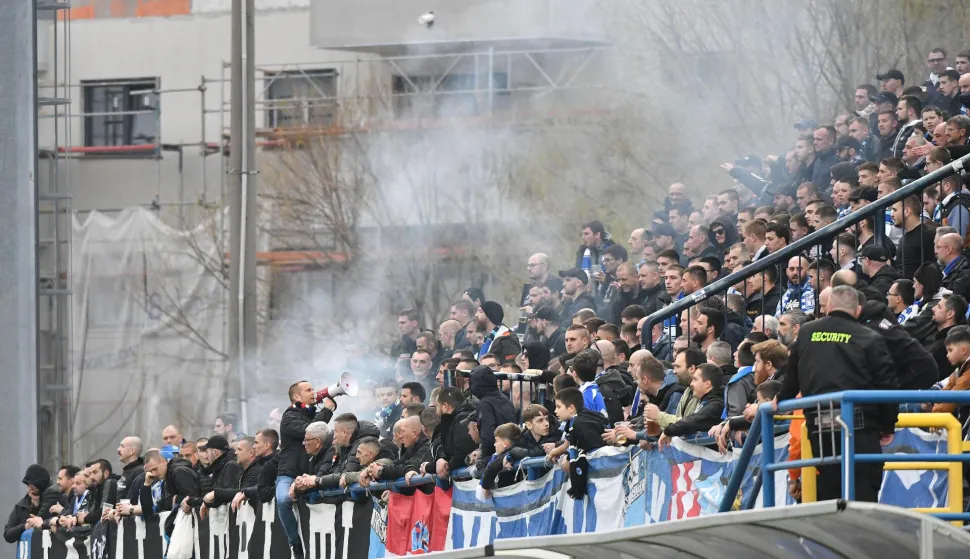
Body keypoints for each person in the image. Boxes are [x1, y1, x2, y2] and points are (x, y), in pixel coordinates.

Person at [778, 285, 898, 502]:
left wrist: (779, 400)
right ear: (858, 310)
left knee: (828, 491)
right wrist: (888, 425)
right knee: (862, 492)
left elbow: (791, 378)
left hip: (819, 425)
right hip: (860, 427)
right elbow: (888, 384)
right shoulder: (869, 337)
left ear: (829, 306)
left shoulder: (806, 332)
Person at [277, 381, 336, 559]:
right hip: (289, 473)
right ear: (296, 396)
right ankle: (295, 542)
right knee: (283, 500)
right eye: (308, 390)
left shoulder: (312, 414)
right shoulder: (289, 416)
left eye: (313, 389)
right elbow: (310, 431)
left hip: (311, 472)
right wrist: (326, 411)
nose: (314, 392)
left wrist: (327, 410)